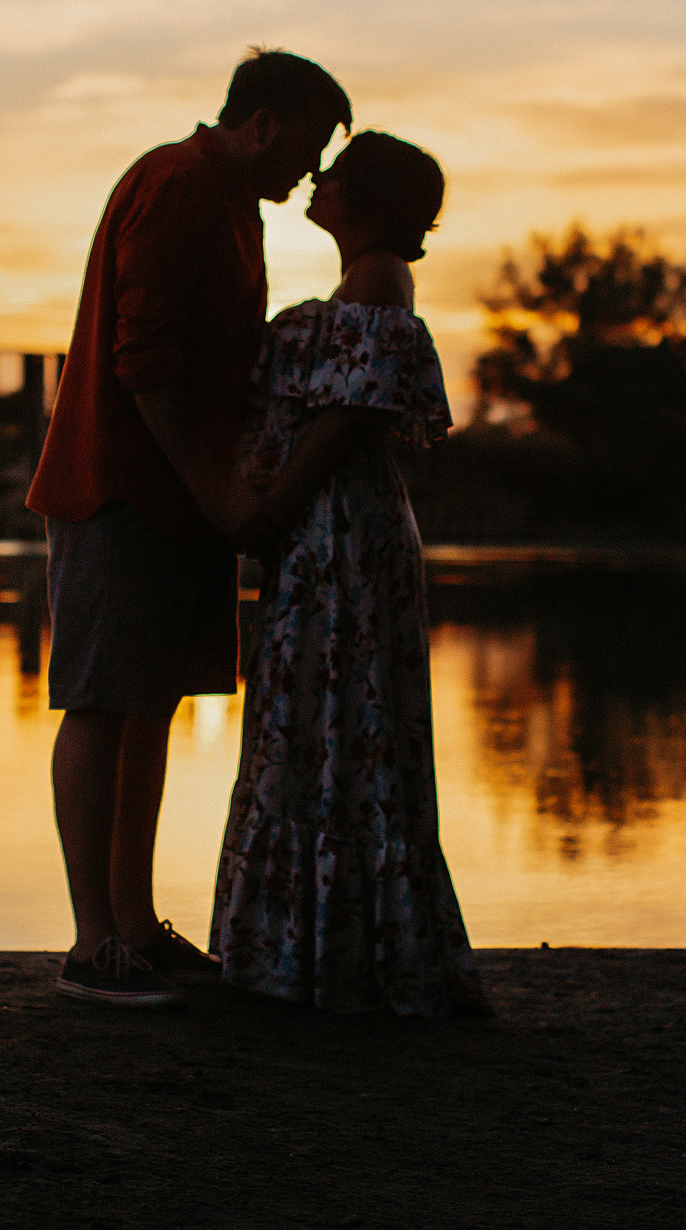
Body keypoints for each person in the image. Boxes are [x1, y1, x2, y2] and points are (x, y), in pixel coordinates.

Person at [26, 48, 352, 1007]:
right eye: (305, 148)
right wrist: (213, 491)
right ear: (263, 122)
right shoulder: (175, 184)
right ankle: (93, 944)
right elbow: (145, 359)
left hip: (182, 498)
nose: (309, 175)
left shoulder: (232, 207)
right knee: (99, 699)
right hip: (121, 488)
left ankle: (134, 923)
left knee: (149, 700)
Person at [211, 131, 486, 1016]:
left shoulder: (376, 282)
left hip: (339, 534)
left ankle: (327, 958)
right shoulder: (360, 282)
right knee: (317, 721)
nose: (315, 179)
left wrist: (274, 508)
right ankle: (317, 951)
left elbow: (345, 419)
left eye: (333, 171)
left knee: (332, 718)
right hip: (331, 533)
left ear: (363, 198)